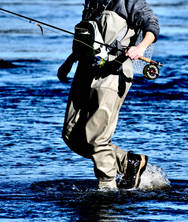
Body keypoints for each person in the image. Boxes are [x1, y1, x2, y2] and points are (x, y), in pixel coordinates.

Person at [57, 0, 160, 190]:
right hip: (85, 70)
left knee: (97, 138)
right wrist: (69, 62)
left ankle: (107, 189)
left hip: (113, 72)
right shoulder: (92, 2)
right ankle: (128, 163)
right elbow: (87, 38)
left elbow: (152, 25)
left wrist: (140, 48)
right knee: (71, 134)